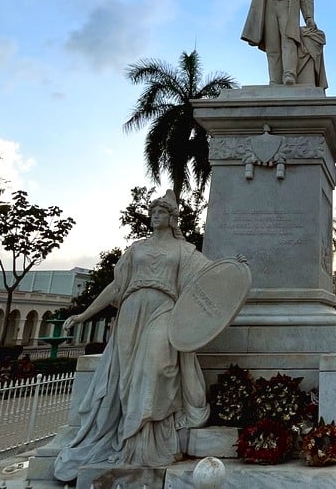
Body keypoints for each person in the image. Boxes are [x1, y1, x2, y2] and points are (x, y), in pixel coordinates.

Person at [54, 190, 213, 481]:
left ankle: (150, 443)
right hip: (131, 311)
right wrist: (84, 314)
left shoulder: (184, 251)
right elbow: (116, 288)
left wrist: (235, 271)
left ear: (172, 218)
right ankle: (132, 446)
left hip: (164, 309)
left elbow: (209, 279)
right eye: (152, 213)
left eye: (160, 213)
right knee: (127, 379)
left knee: (155, 367)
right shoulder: (136, 250)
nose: (154, 216)